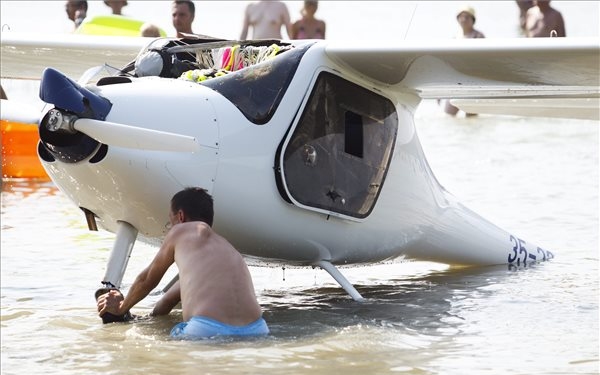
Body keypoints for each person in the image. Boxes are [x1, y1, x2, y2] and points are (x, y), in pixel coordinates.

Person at [96, 187, 269, 339]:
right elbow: (166, 303)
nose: (170, 229)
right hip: (257, 330)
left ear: (180, 216)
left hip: (206, 329)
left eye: (169, 223)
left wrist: (120, 308)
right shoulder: (227, 249)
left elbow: (148, 279)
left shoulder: (182, 230)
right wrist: (139, 318)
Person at [443, 5, 484, 116]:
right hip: (456, 81)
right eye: (461, 16)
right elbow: (449, 62)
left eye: (467, 17)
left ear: (472, 20)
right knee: (448, 115)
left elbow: (483, 62)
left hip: (473, 82)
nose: (464, 19)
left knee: (471, 117)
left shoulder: (478, 36)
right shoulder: (455, 38)